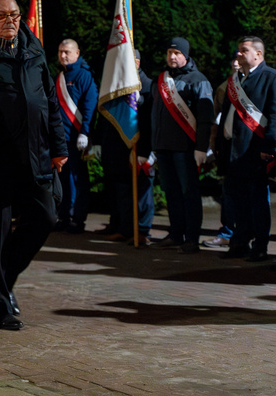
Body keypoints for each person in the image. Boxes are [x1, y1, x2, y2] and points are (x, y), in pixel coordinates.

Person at [0, 0, 67, 330]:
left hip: (35, 157)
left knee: (45, 217)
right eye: (2, 15)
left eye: (15, 14)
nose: (10, 20)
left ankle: (3, 280)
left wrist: (59, 146)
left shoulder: (33, 52)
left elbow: (50, 102)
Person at [216, 36, 276, 262]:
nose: (239, 54)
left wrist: (269, 145)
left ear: (258, 55)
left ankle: (260, 245)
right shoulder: (235, 79)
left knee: (257, 202)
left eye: (244, 51)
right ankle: (240, 242)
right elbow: (226, 114)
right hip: (233, 149)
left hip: (254, 151)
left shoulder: (272, 77)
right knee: (238, 201)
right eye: (238, 50)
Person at [151, 37, 213, 253]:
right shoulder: (161, 80)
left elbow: (206, 117)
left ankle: (192, 238)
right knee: (171, 193)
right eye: (169, 52)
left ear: (185, 55)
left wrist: (201, 147)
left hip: (186, 148)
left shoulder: (198, 80)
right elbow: (154, 115)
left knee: (189, 193)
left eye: (176, 53)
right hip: (164, 147)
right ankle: (176, 233)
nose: (172, 57)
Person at [97, 49, 154, 245]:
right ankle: (124, 227)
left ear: (137, 63)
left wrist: (146, 150)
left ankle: (142, 231)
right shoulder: (116, 86)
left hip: (141, 146)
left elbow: (149, 120)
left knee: (143, 192)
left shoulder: (148, 86)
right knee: (121, 190)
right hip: (118, 148)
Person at [54, 39, 98, 234]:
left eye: (67, 52)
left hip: (77, 138)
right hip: (61, 139)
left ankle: (78, 220)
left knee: (80, 180)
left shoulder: (84, 76)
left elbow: (89, 106)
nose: (63, 55)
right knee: (63, 180)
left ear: (77, 53)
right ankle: (64, 217)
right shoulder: (60, 76)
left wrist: (85, 132)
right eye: (61, 52)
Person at [203, 53, 242, 248]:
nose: (236, 62)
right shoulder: (223, 88)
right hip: (228, 148)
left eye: (239, 58)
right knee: (228, 192)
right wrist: (213, 146)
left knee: (254, 195)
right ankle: (227, 232)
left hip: (249, 149)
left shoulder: (263, 81)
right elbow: (215, 121)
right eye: (233, 59)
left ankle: (253, 237)